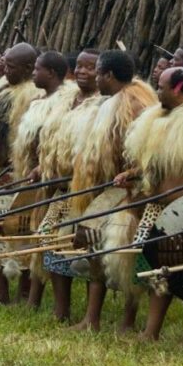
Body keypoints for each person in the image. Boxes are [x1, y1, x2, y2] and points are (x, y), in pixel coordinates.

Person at [108, 67, 183, 341]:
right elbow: (153, 165)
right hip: (156, 208)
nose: (156, 90)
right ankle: (151, 331)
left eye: (160, 86)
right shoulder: (157, 120)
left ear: (176, 89)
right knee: (152, 268)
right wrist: (134, 173)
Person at [66, 50, 156, 332]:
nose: (93, 78)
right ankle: (91, 318)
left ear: (108, 75)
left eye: (97, 73)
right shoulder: (109, 103)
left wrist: (132, 174)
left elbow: (148, 152)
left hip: (132, 193)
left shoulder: (136, 104)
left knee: (128, 256)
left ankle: (127, 321)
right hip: (106, 190)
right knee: (95, 249)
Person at [27, 49, 103, 317]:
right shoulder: (66, 99)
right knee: (51, 243)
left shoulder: (103, 105)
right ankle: (62, 308)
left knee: (84, 248)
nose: (82, 71)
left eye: (90, 67)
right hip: (58, 187)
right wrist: (43, 167)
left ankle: (90, 315)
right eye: (80, 66)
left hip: (84, 189)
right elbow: (52, 140)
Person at [5, 51, 77, 306]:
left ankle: (50, 304)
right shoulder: (38, 101)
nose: (34, 73)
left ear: (53, 73)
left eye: (38, 69)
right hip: (33, 179)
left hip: (54, 181)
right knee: (34, 234)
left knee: (49, 239)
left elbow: (59, 142)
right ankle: (30, 297)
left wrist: (45, 167)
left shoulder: (67, 103)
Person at [0, 43, 43, 301]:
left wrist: (19, 169)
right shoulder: (2, 89)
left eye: (11, 66)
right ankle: (0, 290)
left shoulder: (34, 96)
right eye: (4, 63)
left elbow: (34, 141)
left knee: (20, 231)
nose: (4, 68)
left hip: (20, 173)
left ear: (28, 68)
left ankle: (24, 289)